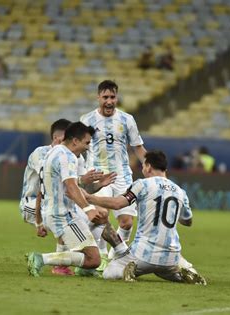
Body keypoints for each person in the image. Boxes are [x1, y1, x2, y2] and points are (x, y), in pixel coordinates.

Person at [84, 150, 206, 284]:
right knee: (166, 273)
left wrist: (90, 198)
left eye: (143, 165)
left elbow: (118, 204)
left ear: (148, 166)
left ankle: (126, 270)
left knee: (109, 272)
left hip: (143, 255)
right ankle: (184, 275)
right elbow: (188, 221)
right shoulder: (180, 191)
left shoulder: (142, 184)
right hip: (171, 257)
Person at [26, 122, 129, 277]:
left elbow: (71, 187)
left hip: (57, 211)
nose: (88, 147)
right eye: (86, 142)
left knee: (100, 217)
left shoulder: (54, 153)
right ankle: (41, 259)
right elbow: (71, 188)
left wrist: (99, 185)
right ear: (75, 141)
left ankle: (89, 266)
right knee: (93, 259)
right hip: (62, 216)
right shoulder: (67, 157)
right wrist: (88, 209)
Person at [80, 80, 147, 267]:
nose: (109, 101)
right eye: (105, 97)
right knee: (101, 214)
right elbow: (77, 148)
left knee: (126, 223)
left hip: (122, 176)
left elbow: (138, 148)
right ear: (98, 97)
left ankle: (114, 255)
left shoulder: (127, 120)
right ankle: (101, 257)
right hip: (98, 176)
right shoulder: (87, 120)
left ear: (117, 97)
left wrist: (152, 168)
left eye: (113, 97)